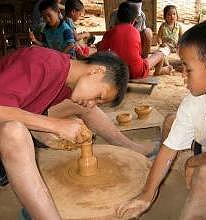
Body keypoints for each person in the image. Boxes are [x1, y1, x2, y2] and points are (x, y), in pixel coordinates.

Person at [0, 45, 153, 219]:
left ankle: (133, 148)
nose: (93, 103)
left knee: (79, 105)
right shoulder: (42, 62)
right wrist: (55, 125)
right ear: (97, 71)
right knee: (14, 133)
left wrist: (41, 133)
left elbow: (26, 106)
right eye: (99, 96)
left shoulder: (66, 81)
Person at [115, 17, 206, 219]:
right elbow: (169, 148)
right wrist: (147, 195)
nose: (182, 75)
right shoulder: (194, 101)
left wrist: (192, 162)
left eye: (188, 69)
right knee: (172, 122)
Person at [98, 2, 172, 79]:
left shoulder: (110, 32)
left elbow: (101, 51)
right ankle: (158, 72)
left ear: (117, 18)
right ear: (133, 21)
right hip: (136, 72)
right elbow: (138, 53)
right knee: (160, 54)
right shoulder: (135, 32)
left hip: (117, 72)